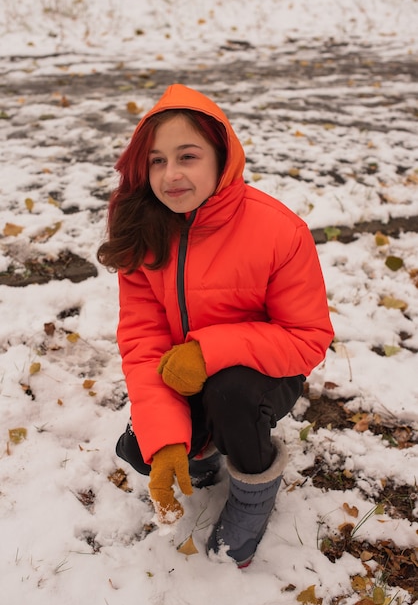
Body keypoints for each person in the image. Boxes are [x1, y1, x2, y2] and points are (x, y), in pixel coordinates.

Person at [97, 84, 334, 567]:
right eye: (157, 161)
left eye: (188, 156)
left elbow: (308, 338)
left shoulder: (277, 231)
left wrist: (209, 351)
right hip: (183, 371)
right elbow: (144, 344)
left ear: (221, 158)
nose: (171, 174)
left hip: (265, 371)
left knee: (231, 395)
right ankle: (199, 451)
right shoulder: (143, 228)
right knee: (141, 447)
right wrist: (165, 441)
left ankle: (252, 492)